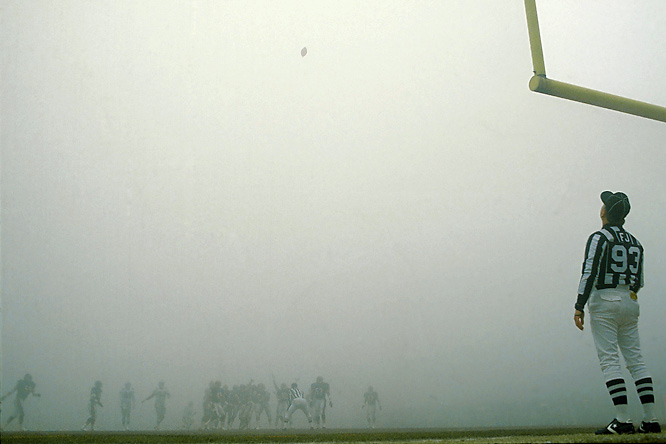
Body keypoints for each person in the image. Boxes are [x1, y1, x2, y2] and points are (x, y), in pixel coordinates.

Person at [574, 191, 660, 435]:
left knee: (609, 359)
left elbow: (589, 271)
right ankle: (651, 418)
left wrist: (579, 304)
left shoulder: (599, 237)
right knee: (636, 360)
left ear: (605, 212)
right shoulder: (636, 242)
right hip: (630, 300)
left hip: (604, 298)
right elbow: (639, 280)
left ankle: (623, 419)